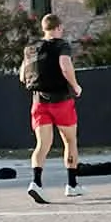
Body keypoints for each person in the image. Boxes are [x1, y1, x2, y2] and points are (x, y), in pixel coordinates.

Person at [21, 13, 83, 204]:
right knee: (70, 141)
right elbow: (65, 65)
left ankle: (36, 183)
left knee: (42, 145)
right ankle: (72, 185)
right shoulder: (61, 45)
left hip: (39, 101)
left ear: (43, 29)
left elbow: (23, 75)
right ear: (58, 28)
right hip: (61, 100)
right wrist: (75, 85)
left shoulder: (31, 48)